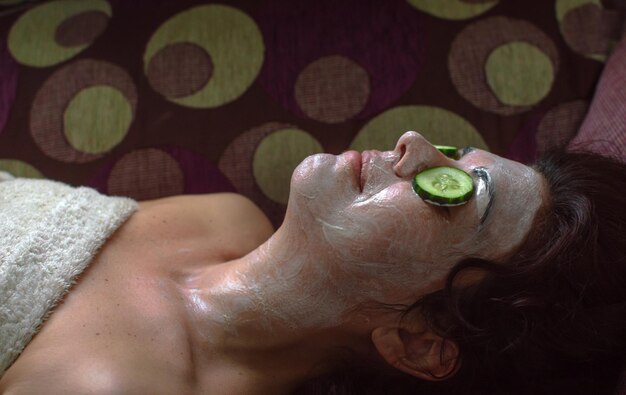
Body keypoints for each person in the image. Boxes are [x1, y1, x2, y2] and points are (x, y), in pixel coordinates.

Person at [0, 131, 625, 394]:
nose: (414, 146)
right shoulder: (223, 219)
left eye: (462, 195)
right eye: (456, 152)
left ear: (420, 343)